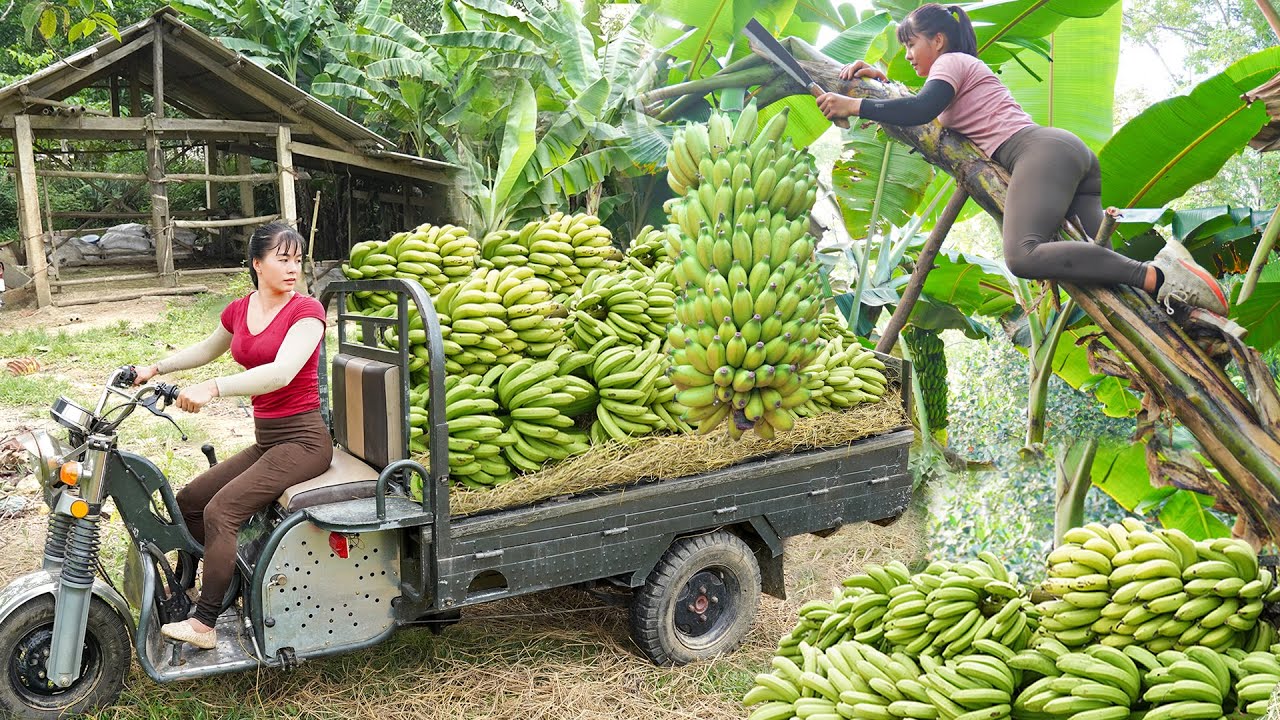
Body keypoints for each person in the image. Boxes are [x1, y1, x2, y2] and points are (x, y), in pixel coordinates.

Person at [813, 3, 1228, 316]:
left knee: (1023, 256)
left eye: (910, 44)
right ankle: (1182, 300)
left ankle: (1157, 275)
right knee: (1098, 256)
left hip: (1037, 153)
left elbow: (920, 111)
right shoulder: (956, 69)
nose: (906, 54)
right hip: (1065, 155)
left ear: (937, 40)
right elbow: (921, 104)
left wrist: (854, 107)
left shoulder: (952, 61)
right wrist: (881, 83)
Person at [133, 222, 332, 649]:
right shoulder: (242, 309)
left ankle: (204, 625)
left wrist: (214, 387)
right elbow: (208, 349)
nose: (293, 268)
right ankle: (208, 584)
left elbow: (281, 373)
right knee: (188, 502)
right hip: (268, 441)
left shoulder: (307, 313)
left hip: (303, 442)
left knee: (221, 512)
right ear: (257, 263)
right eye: (283, 259)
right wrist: (156, 368)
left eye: (298, 260)